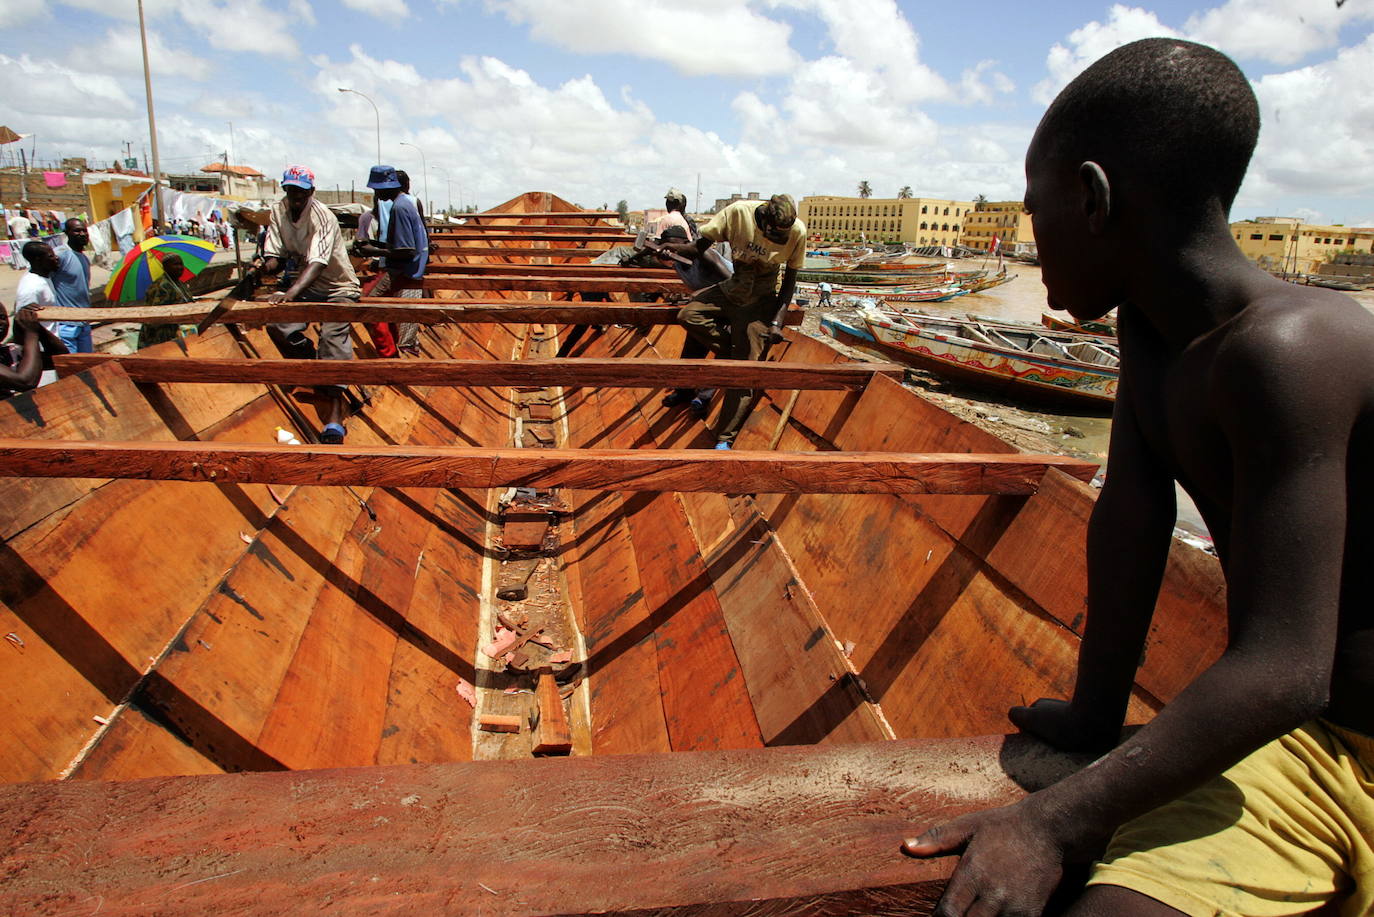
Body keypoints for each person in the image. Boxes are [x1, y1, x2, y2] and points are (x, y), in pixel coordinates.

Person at [903, 38, 1374, 917]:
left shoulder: (1293, 351)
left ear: (1093, 197)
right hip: (1307, 748)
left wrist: (1053, 823)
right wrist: (1093, 714)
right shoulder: (1153, 336)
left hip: (1318, 719)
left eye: (1036, 215)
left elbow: (1285, 664)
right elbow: (1131, 519)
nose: (1029, 243)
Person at [661, 193, 804, 449]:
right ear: (764, 221)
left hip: (762, 298)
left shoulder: (797, 232)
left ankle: (724, 438)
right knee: (689, 315)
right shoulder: (738, 213)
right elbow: (698, 248)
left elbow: (790, 282)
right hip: (732, 287)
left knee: (746, 373)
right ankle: (730, 354)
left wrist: (776, 323)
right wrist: (674, 248)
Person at [253, 165, 361, 444]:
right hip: (305, 286)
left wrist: (290, 293)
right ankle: (315, 370)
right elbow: (275, 254)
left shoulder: (322, 217)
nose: (295, 198)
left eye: (300, 193)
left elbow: (317, 262)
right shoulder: (278, 211)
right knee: (280, 327)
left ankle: (335, 415)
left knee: (332, 338)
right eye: (290, 192)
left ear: (311, 192)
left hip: (337, 287)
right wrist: (264, 266)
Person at [353, 165, 427, 357]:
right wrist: (373, 245)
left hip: (403, 270)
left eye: (377, 190)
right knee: (386, 307)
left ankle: (389, 353)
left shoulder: (399, 208)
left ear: (385, 188)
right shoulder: (403, 203)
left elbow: (406, 252)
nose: (376, 194)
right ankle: (398, 345)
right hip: (408, 267)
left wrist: (372, 250)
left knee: (366, 305)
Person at [15, 241, 65, 386]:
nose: (56, 258)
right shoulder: (31, 288)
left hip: (51, 346)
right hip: (39, 353)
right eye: (50, 256)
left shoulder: (44, 278)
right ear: (38, 260)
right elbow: (23, 323)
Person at [0, 299, 67, 398]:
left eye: (2, 317)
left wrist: (33, 324)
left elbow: (61, 359)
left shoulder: (9, 352)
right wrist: (31, 333)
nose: (1, 322)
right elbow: (26, 382)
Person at [50, 218, 94, 354]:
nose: (82, 234)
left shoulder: (83, 258)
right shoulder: (59, 255)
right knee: (69, 367)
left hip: (83, 322)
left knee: (86, 365)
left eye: (84, 231)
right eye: (77, 231)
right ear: (67, 233)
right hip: (66, 323)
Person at [138, 253, 194, 349]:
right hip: (160, 334)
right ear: (166, 267)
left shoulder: (179, 283)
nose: (180, 267)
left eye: (181, 264)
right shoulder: (161, 286)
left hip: (179, 328)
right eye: (175, 264)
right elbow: (155, 313)